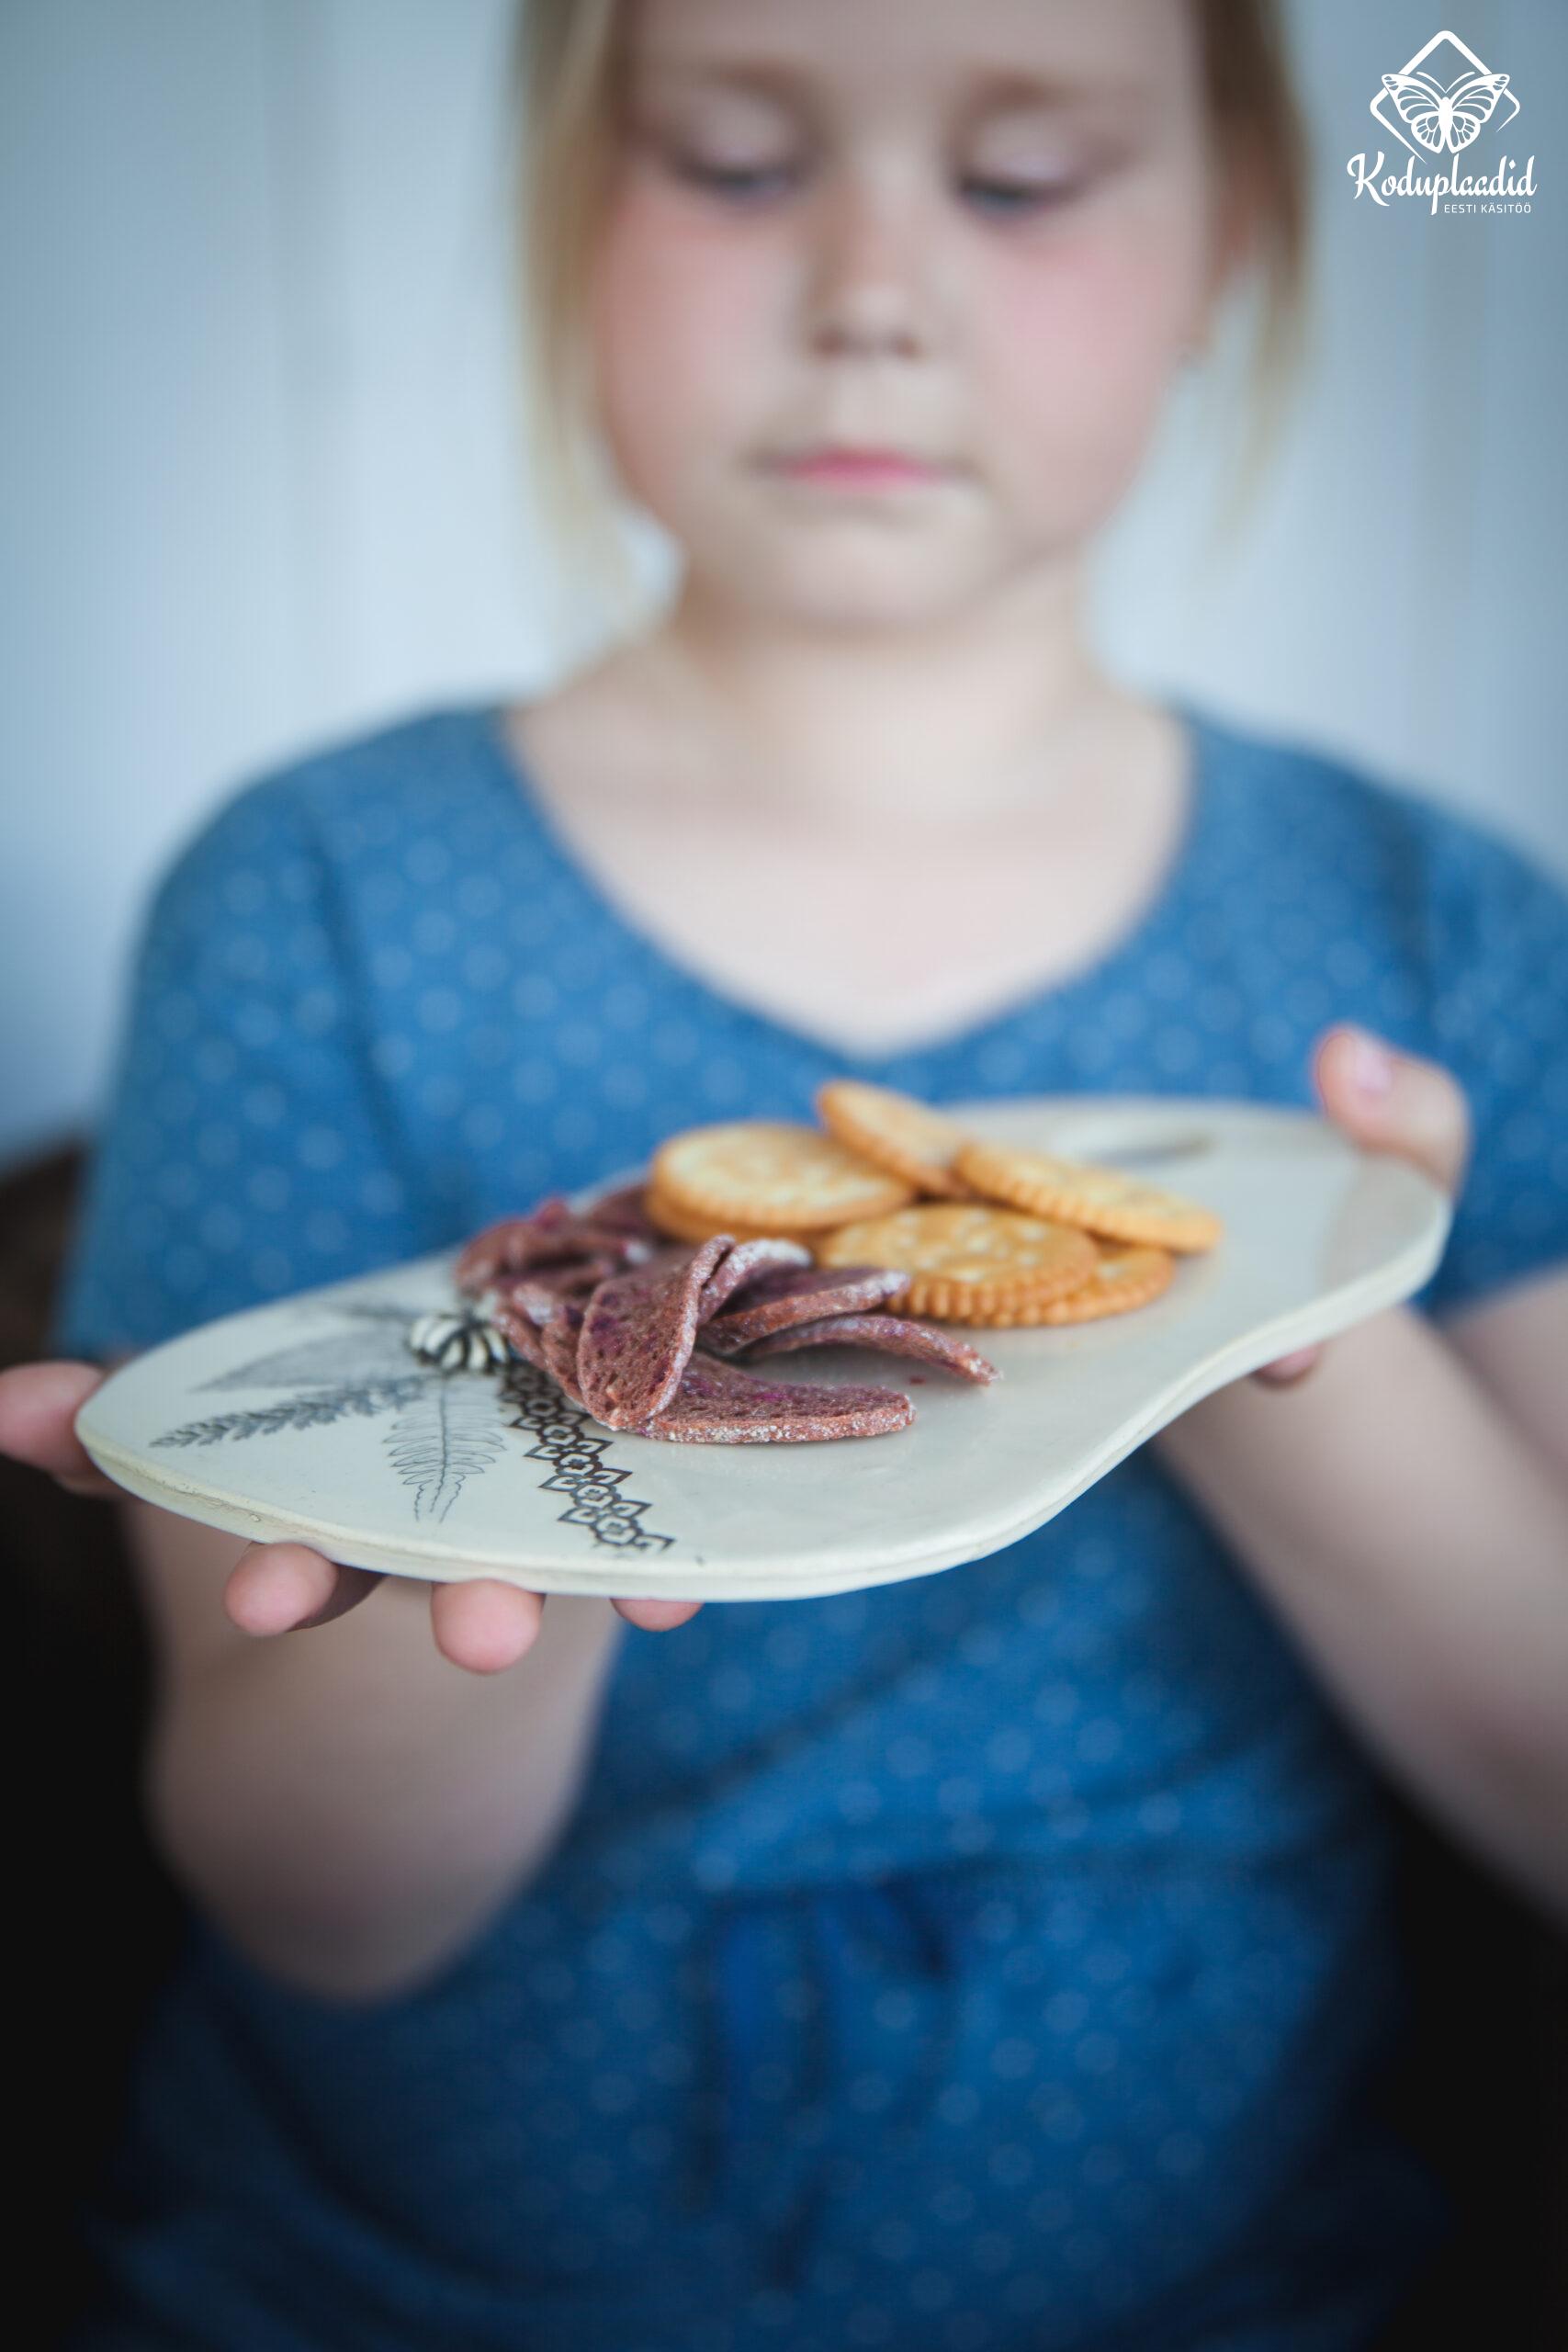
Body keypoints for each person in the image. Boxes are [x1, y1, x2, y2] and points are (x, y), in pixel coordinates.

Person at [5, 1, 1568, 2345]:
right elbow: (310, 1897)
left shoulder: (1421, 933)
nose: (867, 283)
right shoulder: (316, 891)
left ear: (1227, 238)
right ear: (566, 217)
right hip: (386, 2288)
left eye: (1020, 179)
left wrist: (1285, 1297)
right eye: (737, 160)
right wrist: (498, 1499)